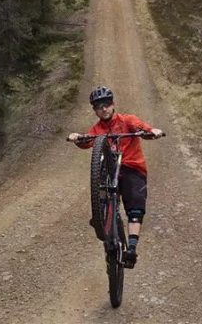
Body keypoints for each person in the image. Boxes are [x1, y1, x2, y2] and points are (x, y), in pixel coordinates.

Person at [67, 85, 164, 267]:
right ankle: (101, 216)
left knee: (134, 206)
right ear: (95, 110)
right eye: (98, 106)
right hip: (110, 172)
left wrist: (152, 131)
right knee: (102, 188)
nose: (103, 108)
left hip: (131, 168)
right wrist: (77, 138)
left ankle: (132, 249)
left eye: (106, 104)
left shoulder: (127, 120)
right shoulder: (97, 129)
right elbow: (87, 141)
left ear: (113, 104)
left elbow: (142, 128)